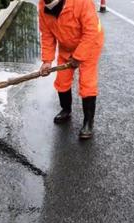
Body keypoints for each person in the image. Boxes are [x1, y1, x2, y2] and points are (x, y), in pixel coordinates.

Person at [39, 0, 104, 139]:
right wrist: (47, 61)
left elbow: (91, 31)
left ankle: (88, 123)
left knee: (87, 83)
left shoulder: (81, 2)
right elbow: (47, 34)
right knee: (62, 81)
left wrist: (79, 56)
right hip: (66, 45)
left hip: (90, 44)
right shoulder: (43, 6)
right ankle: (66, 109)